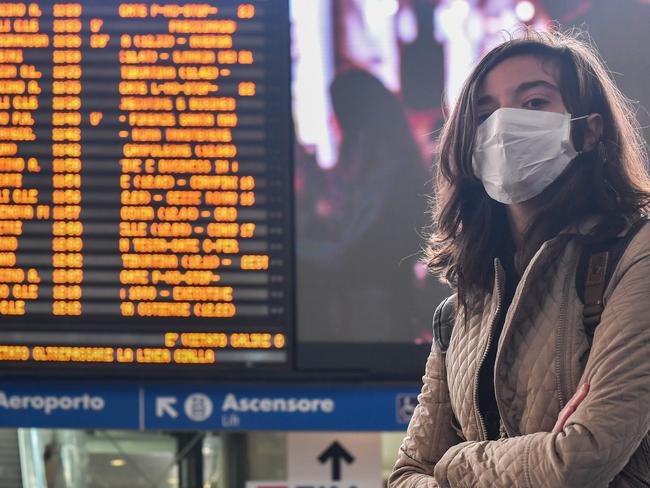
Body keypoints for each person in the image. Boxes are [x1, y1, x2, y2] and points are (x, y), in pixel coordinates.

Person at [389, 29, 650, 487]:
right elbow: (405, 475)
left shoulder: (635, 257)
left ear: (590, 130)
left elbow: (580, 458)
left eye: (533, 103)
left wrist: (453, 463)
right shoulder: (461, 307)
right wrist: (533, 456)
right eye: (485, 112)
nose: (502, 126)